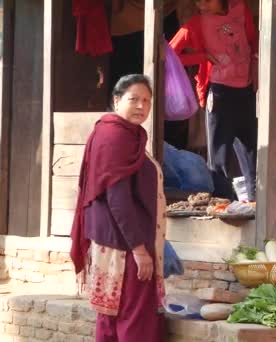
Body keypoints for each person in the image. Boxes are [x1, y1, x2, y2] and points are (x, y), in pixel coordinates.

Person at [70, 74, 166, 342]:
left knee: (111, 318)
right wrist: (139, 250)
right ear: (116, 100)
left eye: (146, 101)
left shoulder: (122, 134)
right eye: (133, 99)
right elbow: (118, 198)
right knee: (135, 321)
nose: (141, 106)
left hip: (114, 242)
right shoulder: (115, 137)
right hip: (124, 247)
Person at [170, 0, 258, 201]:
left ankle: (256, 203)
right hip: (219, 93)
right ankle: (222, 204)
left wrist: (256, 66)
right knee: (219, 155)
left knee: (251, 149)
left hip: (247, 89)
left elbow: (253, 41)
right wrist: (202, 57)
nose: (201, 5)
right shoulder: (195, 23)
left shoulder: (240, 9)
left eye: (206, 0)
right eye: (197, 1)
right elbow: (169, 53)